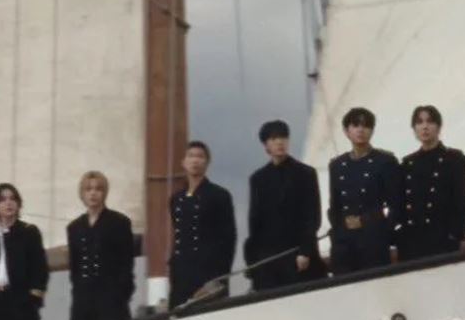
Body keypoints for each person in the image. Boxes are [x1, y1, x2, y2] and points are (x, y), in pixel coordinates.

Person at [245, 119, 324, 293]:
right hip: (269, 258)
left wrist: (305, 251)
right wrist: (253, 261)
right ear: (266, 145)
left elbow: (312, 216)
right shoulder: (258, 179)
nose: (280, 142)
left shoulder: (306, 173)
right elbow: (255, 222)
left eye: (283, 137)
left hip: (299, 255)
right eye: (274, 139)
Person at [327, 106, 401, 275]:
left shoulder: (385, 161)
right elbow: (335, 205)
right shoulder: (337, 165)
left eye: (366, 126)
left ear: (372, 130)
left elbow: (395, 204)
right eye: (355, 125)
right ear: (346, 131)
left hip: (373, 241)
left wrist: (381, 232)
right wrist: (337, 233)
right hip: (344, 244)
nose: (361, 130)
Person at [396, 104, 465, 262]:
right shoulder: (407, 163)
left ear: (438, 126)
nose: (425, 126)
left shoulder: (454, 159)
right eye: (419, 122)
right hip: (411, 242)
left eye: (430, 121)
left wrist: (454, 234)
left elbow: (462, 201)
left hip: (442, 240)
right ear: (414, 128)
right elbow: (400, 204)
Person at [167, 141, 237, 309]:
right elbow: (178, 235)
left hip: (208, 272)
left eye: (200, 156)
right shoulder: (176, 199)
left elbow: (229, 238)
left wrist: (220, 278)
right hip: (181, 273)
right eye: (191, 156)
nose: (195, 160)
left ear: (207, 162)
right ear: (183, 162)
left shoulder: (219, 195)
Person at [66, 170, 136, 320]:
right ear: (82, 194)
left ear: (105, 193)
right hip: (83, 301)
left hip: (111, 299)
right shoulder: (74, 227)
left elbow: (126, 263)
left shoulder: (119, 222)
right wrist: (78, 294)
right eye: (88, 189)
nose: (93, 193)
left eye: (98, 189)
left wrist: (120, 294)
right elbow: (75, 267)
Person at [0, 182, 50, 320]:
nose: (8, 203)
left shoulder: (28, 232)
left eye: (12, 199)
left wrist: (33, 300)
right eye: (3, 200)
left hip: (21, 300)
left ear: (18, 203)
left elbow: (40, 268)